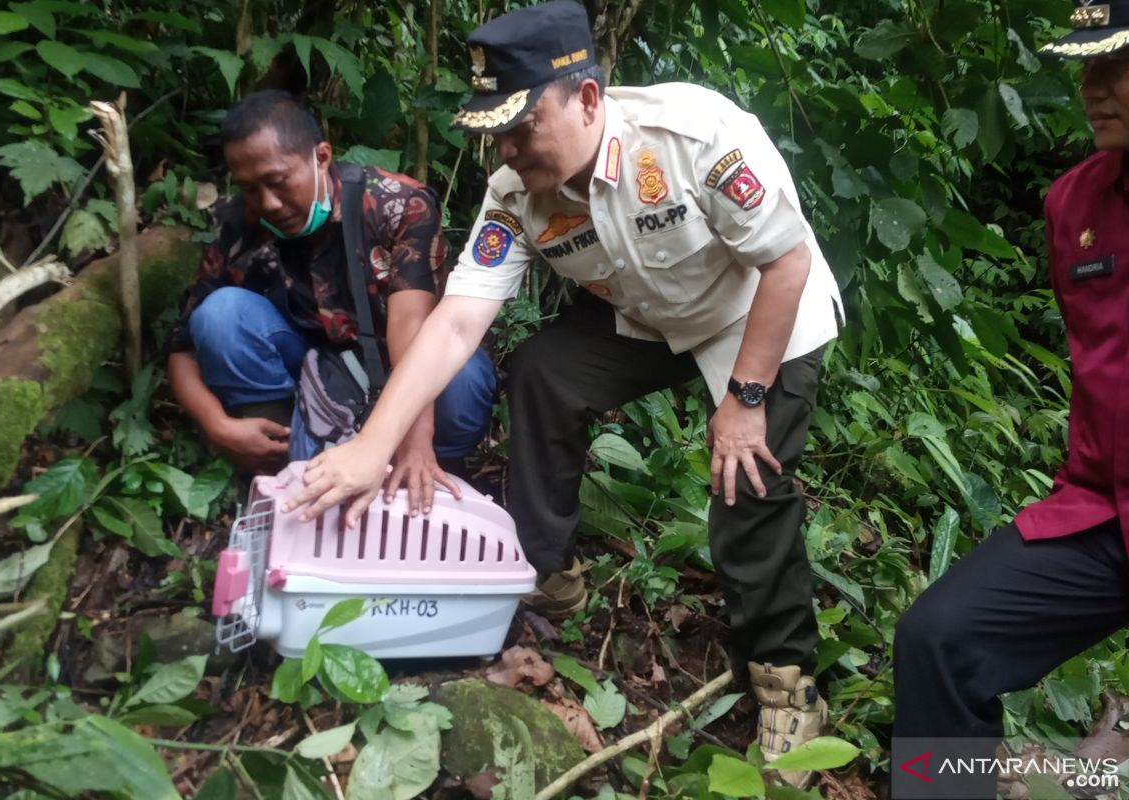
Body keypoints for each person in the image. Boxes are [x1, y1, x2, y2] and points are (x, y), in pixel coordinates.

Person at [282, 1, 842, 782]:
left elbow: (786, 264)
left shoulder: (693, 138)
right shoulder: (515, 191)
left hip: (759, 312)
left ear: (585, 99)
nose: (508, 149)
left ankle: (786, 681)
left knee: (748, 480)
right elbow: (453, 326)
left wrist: (744, 403)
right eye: (495, 132)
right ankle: (545, 571)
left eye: (523, 126)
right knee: (545, 372)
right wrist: (372, 446)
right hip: (648, 320)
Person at [892, 3, 1129, 797]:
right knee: (937, 638)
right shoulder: (1076, 205)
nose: (1093, 88)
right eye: (1087, 67)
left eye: (1116, 66)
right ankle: (940, 789)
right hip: (1103, 517)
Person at [166, 90, 496, 511]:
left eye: (280, 181)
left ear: (321, 157)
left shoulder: (398, 206)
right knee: (220, 315)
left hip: (398, 366)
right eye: (250, 188)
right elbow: (182, 345)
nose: (268, 203)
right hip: (308, 362)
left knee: (462, 372)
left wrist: (414, 442)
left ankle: (427, 472)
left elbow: (412, 331)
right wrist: (217, 425)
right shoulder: (237, 221)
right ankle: (282, 456)